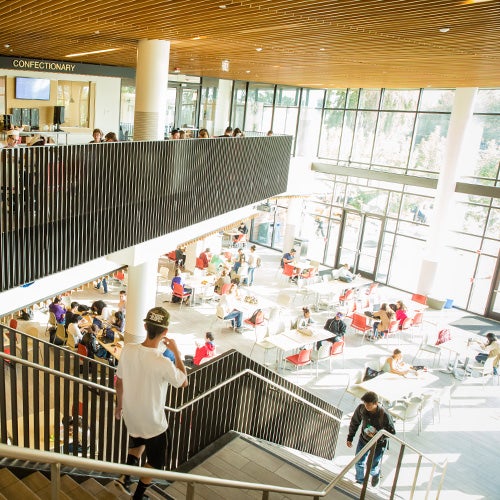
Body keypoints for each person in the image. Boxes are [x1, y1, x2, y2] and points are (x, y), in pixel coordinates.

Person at [114, 307, 187, 498]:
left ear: (145, 326)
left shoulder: (127, 350)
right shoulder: (163, 362)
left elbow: (119, 382)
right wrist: (177, 352)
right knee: (156, 462)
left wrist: (119, 406)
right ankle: (138, 495)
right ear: (165, 332)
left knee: (138, 440)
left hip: (131, 415)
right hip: (153, 422)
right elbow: (184, 381)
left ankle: (126, 477)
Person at [347, 391, 396, 487]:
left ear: (376, 403)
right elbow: (354, 422)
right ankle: (360, 481)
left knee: (373, 467)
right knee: (359, 462)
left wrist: (378, 434)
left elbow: (392, 432)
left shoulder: (385, 414)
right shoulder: (361, 409)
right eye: (365, 404)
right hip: (363, 440)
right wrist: (350, 437)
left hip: (378, 444)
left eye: (369, 405)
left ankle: (376, 474)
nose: (366, 406)